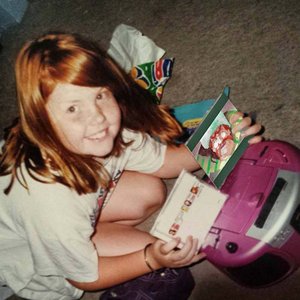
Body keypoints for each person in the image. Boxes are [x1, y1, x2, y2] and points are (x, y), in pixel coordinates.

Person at [0, 32, 262, 300]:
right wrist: (151, 259)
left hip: (65, 210)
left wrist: (223, 138)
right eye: (72, 109)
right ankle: (75, 241)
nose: (98, 117)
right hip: (29, 250)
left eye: (101, 95)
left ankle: (81, 232)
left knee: (150, 191)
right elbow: (84, 277)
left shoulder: (101, 133)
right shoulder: (52, 203)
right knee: (161, 250)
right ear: (41, 120)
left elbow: (165, 162)